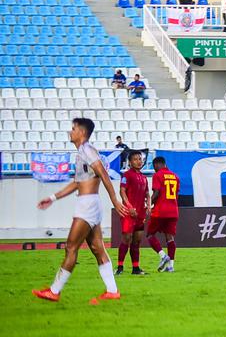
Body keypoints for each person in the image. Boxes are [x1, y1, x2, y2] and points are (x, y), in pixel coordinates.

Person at [32, 117, 131, 303]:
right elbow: (77, 183)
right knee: (97, 247)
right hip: (89, 203)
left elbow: (103, 174)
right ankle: (112, 291)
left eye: (73, 128)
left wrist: (115, 201)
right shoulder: (82, 153)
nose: (70, 132)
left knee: (71, 246)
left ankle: (54, 291)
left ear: (82, 132)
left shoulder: (87, 150)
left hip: (87, 205)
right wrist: (52, 198)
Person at [115, 150, 149, 275]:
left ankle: (136, 268)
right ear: (130, 162)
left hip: (140, 213)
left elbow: (147, 194)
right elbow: (122, 191)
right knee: (127, 238)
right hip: (129, 213)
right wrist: (129, 206)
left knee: (137, 240)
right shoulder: (126, 175)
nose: (139, 161)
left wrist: (149, 206)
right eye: (135, 159)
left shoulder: (144, 177)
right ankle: (120, 267)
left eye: (140, 159)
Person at [146, 155, 179, 273]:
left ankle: (163, 256)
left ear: (156, 164)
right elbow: (176, 195)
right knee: (170, 238)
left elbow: (157, 192)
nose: (154, 169)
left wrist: (149, 205)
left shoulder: (158, 175)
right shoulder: (175, 176)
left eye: (154, 166)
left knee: (150, 234)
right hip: (173, 211)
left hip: (161, 210)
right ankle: (171, 266)